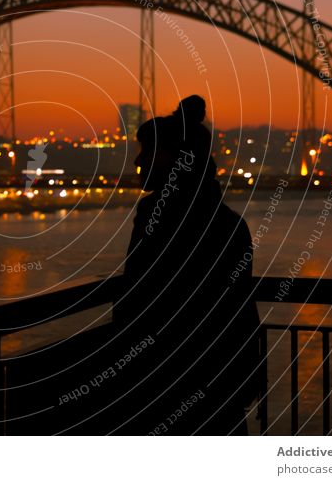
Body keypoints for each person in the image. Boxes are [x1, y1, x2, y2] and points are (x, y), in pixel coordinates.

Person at [99, 94, 261, 435]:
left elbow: (138, 298)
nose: (138, 162)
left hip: (163, 382)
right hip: (220, 380)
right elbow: (239, 307)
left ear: (177, 159)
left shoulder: (155, 215)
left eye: (147, 151)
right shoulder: (231, 223)